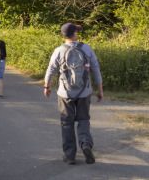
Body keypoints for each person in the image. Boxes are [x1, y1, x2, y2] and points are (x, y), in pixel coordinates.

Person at [44, 23, 104, 165]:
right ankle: (85, 144)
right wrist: (100, 89)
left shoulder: (59, 50)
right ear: (74, 34)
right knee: (83, 119)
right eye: (77, 31)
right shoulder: (87, 48)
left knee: (67, 122)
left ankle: (69, 155)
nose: (78, 32)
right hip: (84, 92)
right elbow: (95, 69)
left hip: (65, 93)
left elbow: (51, 69)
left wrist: (46, 85)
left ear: (63, 35)